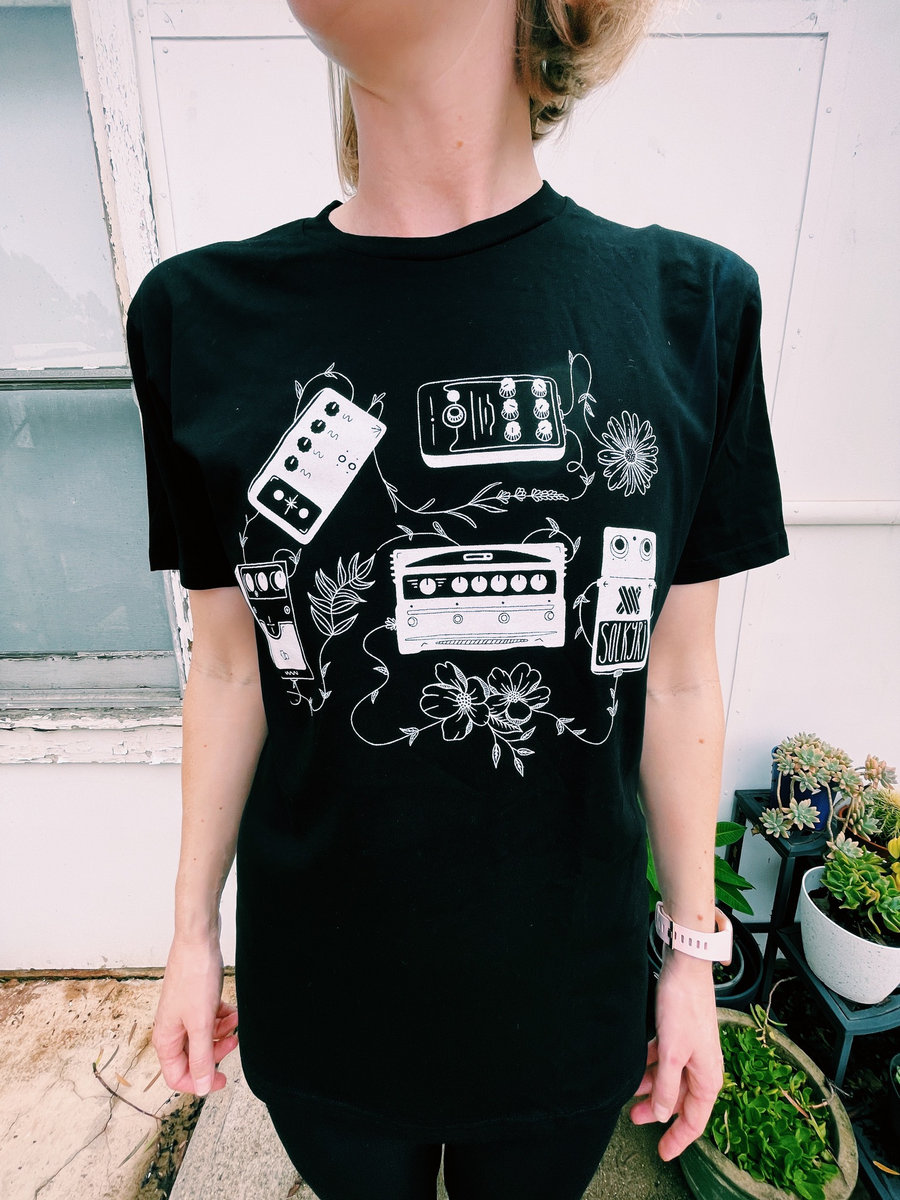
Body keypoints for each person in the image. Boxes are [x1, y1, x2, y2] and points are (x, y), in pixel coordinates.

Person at [126, 1, 789, 1197]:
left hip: (565, 1012)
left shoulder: (691, 312)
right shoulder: (198, 321)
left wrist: (692, 958)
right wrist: (189, 936)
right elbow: (229, 665)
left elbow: (679, 672)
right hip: (325, 1006)